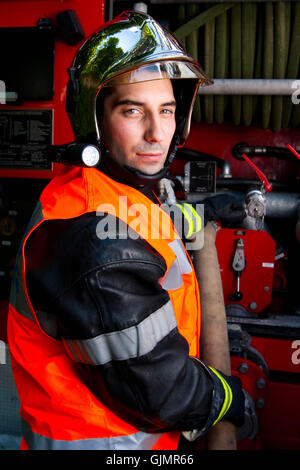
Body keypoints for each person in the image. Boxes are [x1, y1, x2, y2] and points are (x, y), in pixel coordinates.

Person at [8, 11, 247, 451]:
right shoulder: (90, 241)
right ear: (95, 118)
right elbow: (162, 390)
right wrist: (227, 398)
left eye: (168, 110)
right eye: (133, 110)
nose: (158, 132)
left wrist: (197, 216)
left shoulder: (118, 190)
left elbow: (143, 229)